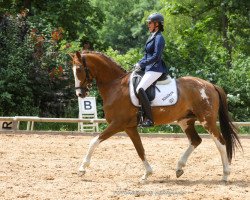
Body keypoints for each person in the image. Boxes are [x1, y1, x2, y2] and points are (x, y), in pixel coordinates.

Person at [134, 13, 167, 127]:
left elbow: (156, 56)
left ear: (156, 24)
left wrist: (143, 63)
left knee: (140, 88)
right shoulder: (152, 36)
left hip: (156, 68)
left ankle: (149, 118)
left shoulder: (159, 38)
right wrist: (139, 63)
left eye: (150, 23)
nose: (148, 25)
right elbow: (147, 55)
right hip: (149, 68)